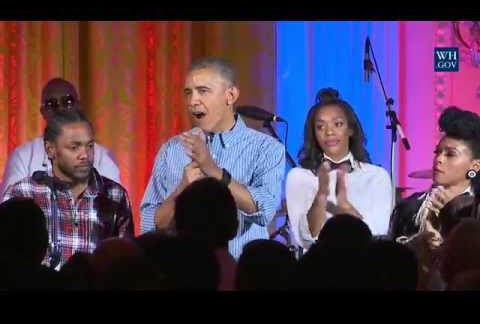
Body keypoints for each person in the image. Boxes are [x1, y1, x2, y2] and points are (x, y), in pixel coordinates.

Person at [140, 56, 285, 259]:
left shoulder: (267, 148)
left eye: (203, 91)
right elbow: (150, 225)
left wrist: (213, 170)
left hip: (239, 275)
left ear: (230, 95)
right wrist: (182, 188)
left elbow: (265, 211)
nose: (193, 101)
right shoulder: (172, 150)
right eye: (188, 93)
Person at [2, 109, 134, 269]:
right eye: (74, 147)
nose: (85, 155)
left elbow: (125, 264)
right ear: (50, 150)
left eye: (90, 146)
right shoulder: (24, 192)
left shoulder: (114, 195)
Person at [286, 88, 393, 251]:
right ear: (314, 134)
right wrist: (321, 196)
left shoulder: (377, 176)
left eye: (338, 124)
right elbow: (304, 239)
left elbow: (377, 235)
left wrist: (346, 208)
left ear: (350, 129)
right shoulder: (299, 176)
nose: (329, 132)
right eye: (320, 127)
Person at [0, 78, 120, 199]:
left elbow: (115, 206)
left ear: (78, 106)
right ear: (43, 112)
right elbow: (10, 210)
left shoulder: (103, 157)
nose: (60, 109)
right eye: (51, 104)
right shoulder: (23, 156)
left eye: (67, 102)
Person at [389, 106, 480, 247]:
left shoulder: (475, 211)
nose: (439, 159)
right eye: (437, 152)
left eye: (450, 154)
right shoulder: (409, 208)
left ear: (475, 166)